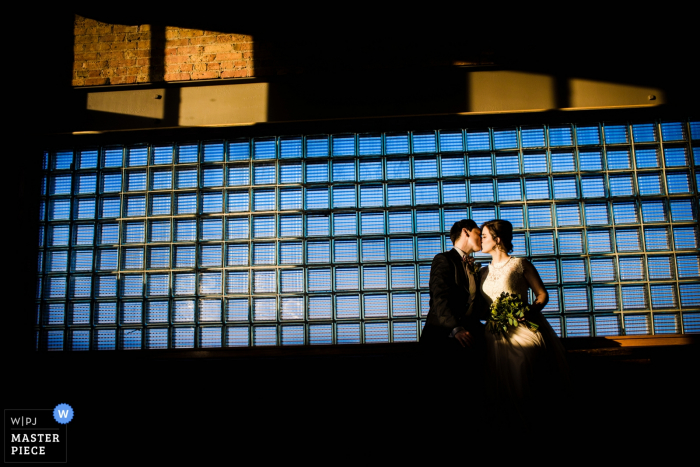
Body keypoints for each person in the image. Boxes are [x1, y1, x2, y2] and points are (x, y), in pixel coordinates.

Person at [478, 219, 568, 424]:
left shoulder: (520, 264)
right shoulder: (482, 271)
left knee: (523, 382)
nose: (480, 240)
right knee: (497, 388)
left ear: (497, 239)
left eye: (484, 236)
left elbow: (542, 295)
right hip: (493, 336)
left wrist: (527, 311)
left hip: (521, 331)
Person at [420, 219, 486, 373]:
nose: (482, 238)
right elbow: (439, 298)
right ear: (465, 232)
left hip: (469, 338)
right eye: (478, 233)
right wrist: (456, 329)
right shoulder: (444, 259)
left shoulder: (474, 267)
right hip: (442, 338)